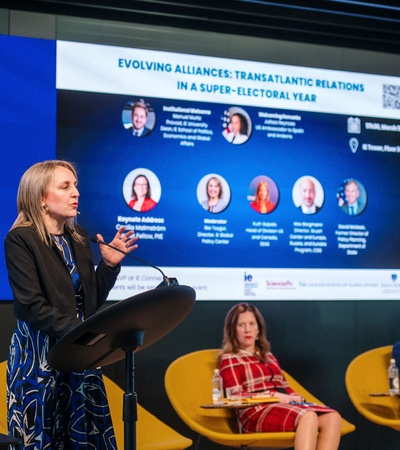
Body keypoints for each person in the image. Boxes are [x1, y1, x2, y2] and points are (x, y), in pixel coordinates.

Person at [4, 160, 139, 449]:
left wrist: (109, 266)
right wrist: (85, 333)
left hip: (79, 354)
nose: (75, 192)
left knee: (85, 440)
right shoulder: (21, 239)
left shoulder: (77, 238)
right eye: (65, 186)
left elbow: (88, 303)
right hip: (39, 360)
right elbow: (31, 306)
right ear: (40, 198)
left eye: (75, 185)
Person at [218, 303, 342, 450]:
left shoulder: (269, 357)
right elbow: (235, 397)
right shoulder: (230, 359)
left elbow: (285, 387)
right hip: (253, 413)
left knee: (332, 417)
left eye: (251, 324)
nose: (247, 329)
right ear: (233, 330)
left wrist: (296, 398)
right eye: (241, 325)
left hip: (280, 406)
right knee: (308, 416)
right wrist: (273, 396)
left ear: (259, 328)